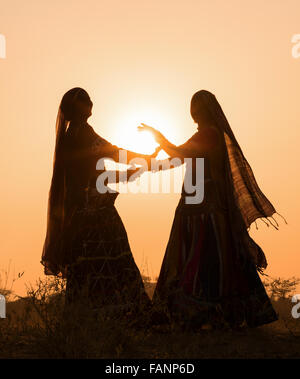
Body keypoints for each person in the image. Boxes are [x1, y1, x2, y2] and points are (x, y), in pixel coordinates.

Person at [139, 90, 280, 329]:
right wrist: (144, 164)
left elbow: (180, 153)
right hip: (193, 209)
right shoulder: (203, 135)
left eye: (196, 108)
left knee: (208, 262)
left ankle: (210, 316)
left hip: (207, 212)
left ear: (201, 111)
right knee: (200, 261)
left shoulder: (210, 134)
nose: (193, 113)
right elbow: (177, 158)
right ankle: (201, 317)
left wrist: (159, 138)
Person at [42, 87, 153, 312]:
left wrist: (129, 173)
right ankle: (127, 314)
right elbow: (112, 152)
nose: (92, 102)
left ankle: (86, 318)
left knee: (86, 266)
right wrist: (145, 159)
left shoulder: (70, 136)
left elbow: (95, 173)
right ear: (81, 108)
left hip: (78, 214)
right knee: (114, 261)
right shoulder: (84, 132)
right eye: (87, 100)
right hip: (95, 210)